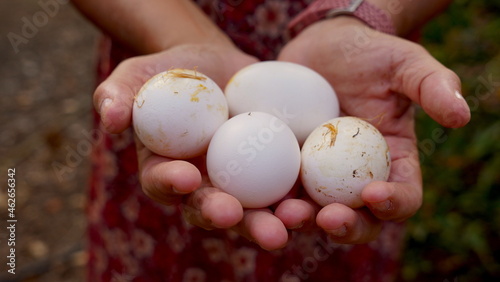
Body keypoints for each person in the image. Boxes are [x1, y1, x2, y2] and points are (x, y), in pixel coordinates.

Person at [72, 0, 471, 280]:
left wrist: (360, 19)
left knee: (346, 221)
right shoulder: (208, 115)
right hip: (167, 50)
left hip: (348, 77)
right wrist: (184, 39)